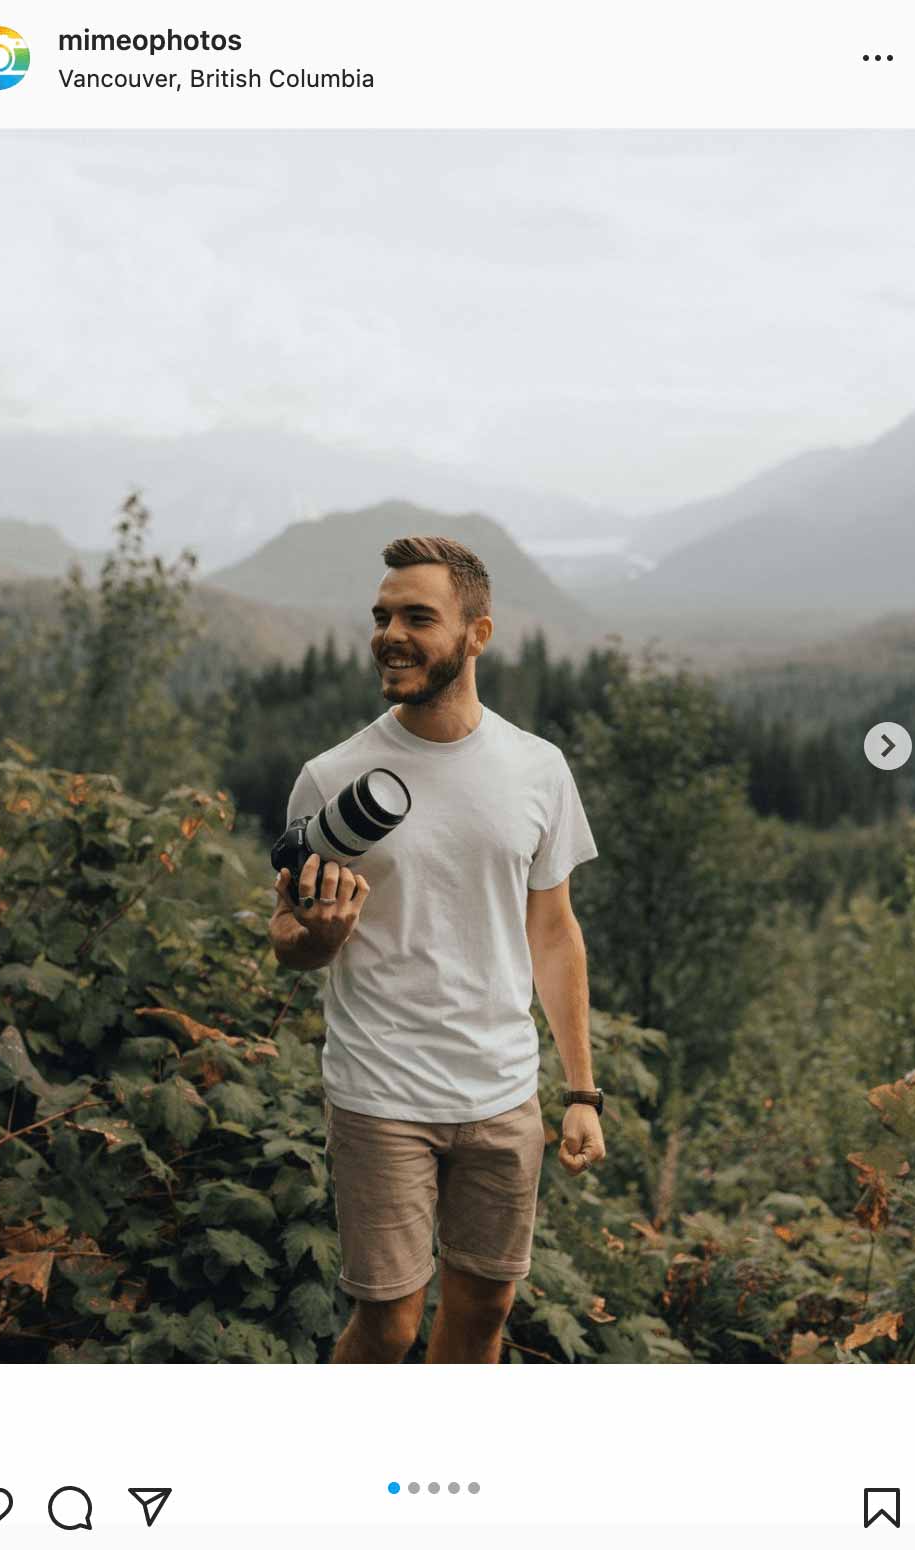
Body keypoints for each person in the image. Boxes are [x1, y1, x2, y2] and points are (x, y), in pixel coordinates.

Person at [269, 534, 604, 1363]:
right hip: (380, 1091)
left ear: (476, 635)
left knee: (483, 1315)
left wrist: (583, 1091)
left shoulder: (538, 769)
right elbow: (285, 937)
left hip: (501, 1094)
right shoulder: (333, 777)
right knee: (389, 1324)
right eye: (382, 616)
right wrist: (319, 935)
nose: (390, 633)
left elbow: (553, 933)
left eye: (418, 616)